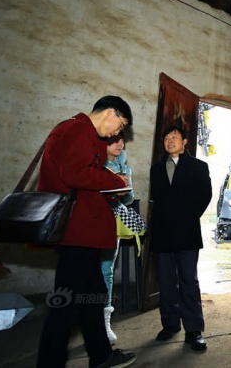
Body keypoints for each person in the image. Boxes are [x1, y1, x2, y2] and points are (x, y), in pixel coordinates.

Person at [36, 96, 137, 368]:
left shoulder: (85, 133)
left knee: (93, 296)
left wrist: (112, 188)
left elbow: (83, 182)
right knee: (66, 304)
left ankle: (101, 355)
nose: (117, 133)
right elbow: (75, 174)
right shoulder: (78, 129)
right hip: (77, 232)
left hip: (85, 231)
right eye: (120, 126)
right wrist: (114, 180)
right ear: (110, 113)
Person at [149, 125, 212, 351]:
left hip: (187, 232)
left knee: (189, 281)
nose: (170, 140)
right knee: (166, 281)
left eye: (174, 137)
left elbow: (205, 195)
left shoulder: (198, 166)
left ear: (185, 141)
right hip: (162, 233)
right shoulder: (156, 169)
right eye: (166, 138)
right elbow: (157, 198)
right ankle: (170, 324)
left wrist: (189, 215)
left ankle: (194, 330)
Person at [101, 132, 135, 345]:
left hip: (113, 221)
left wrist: (125, 190)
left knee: (107, 269)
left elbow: (130, 199)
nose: (120, 144)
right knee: (85, 269)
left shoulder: (124, 166)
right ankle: (84, 317)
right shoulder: (94, 164)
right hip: (90, 221)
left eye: (122, 141)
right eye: (115, 140)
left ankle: (105, 322)